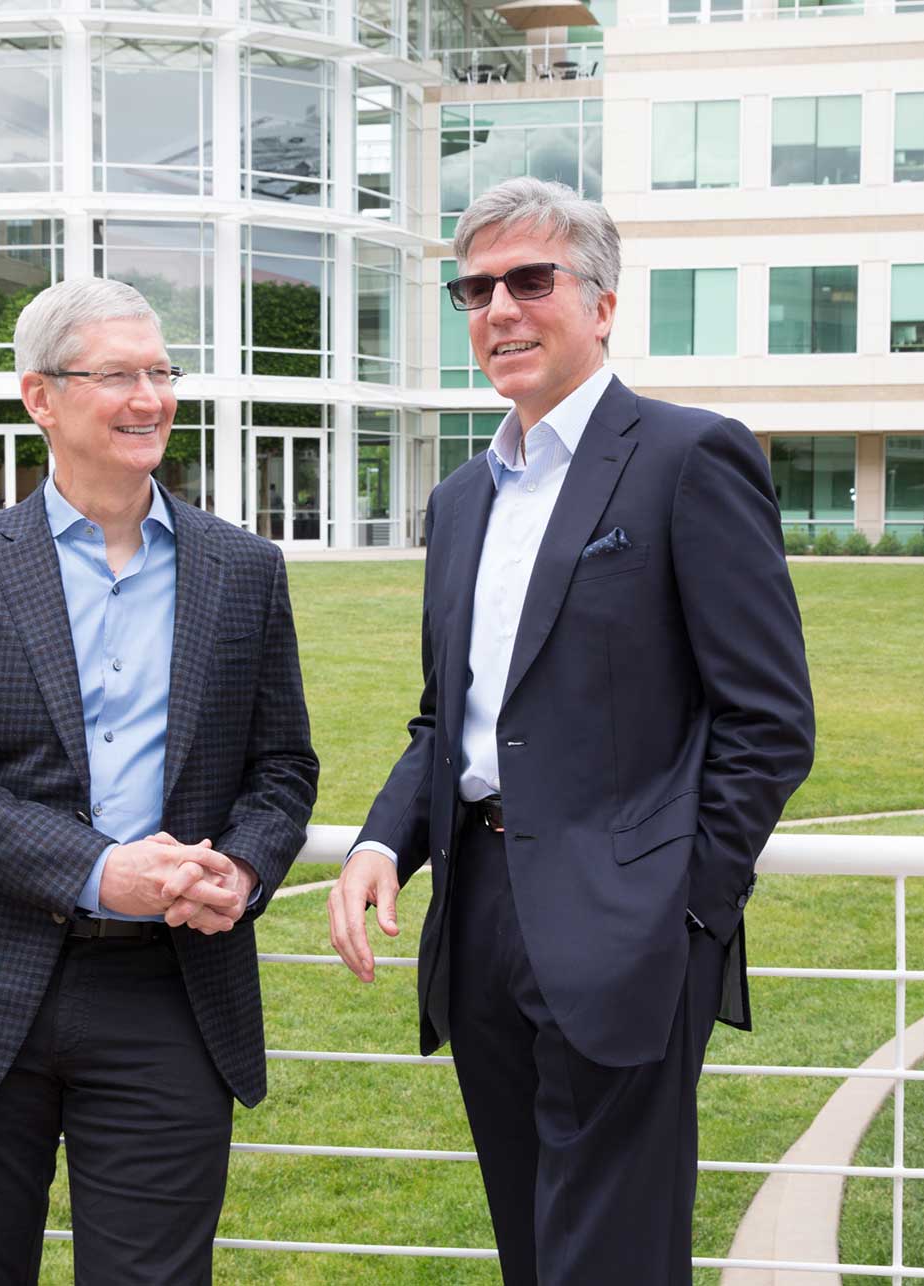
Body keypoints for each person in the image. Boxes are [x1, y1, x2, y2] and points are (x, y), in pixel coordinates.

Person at [327, 177, 815, 1284]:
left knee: (614, 1257)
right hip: (482, 916)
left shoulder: (690, 457)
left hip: (631, 926)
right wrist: (376, 841)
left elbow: (770, 719)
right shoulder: (462, 499)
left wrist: (686, 906)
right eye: (475, 288)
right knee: (532, 1248)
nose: (500, 308)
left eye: (530, 280)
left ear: (600, 303)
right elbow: (447, 717)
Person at [0, 277, 318, 1284]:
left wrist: (243, 871)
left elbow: (283, 765)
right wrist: (95, 867)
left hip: (171, 994)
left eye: (161, 371)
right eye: (118, 374)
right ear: (42, 397)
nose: (150, 397)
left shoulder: (243, 568)